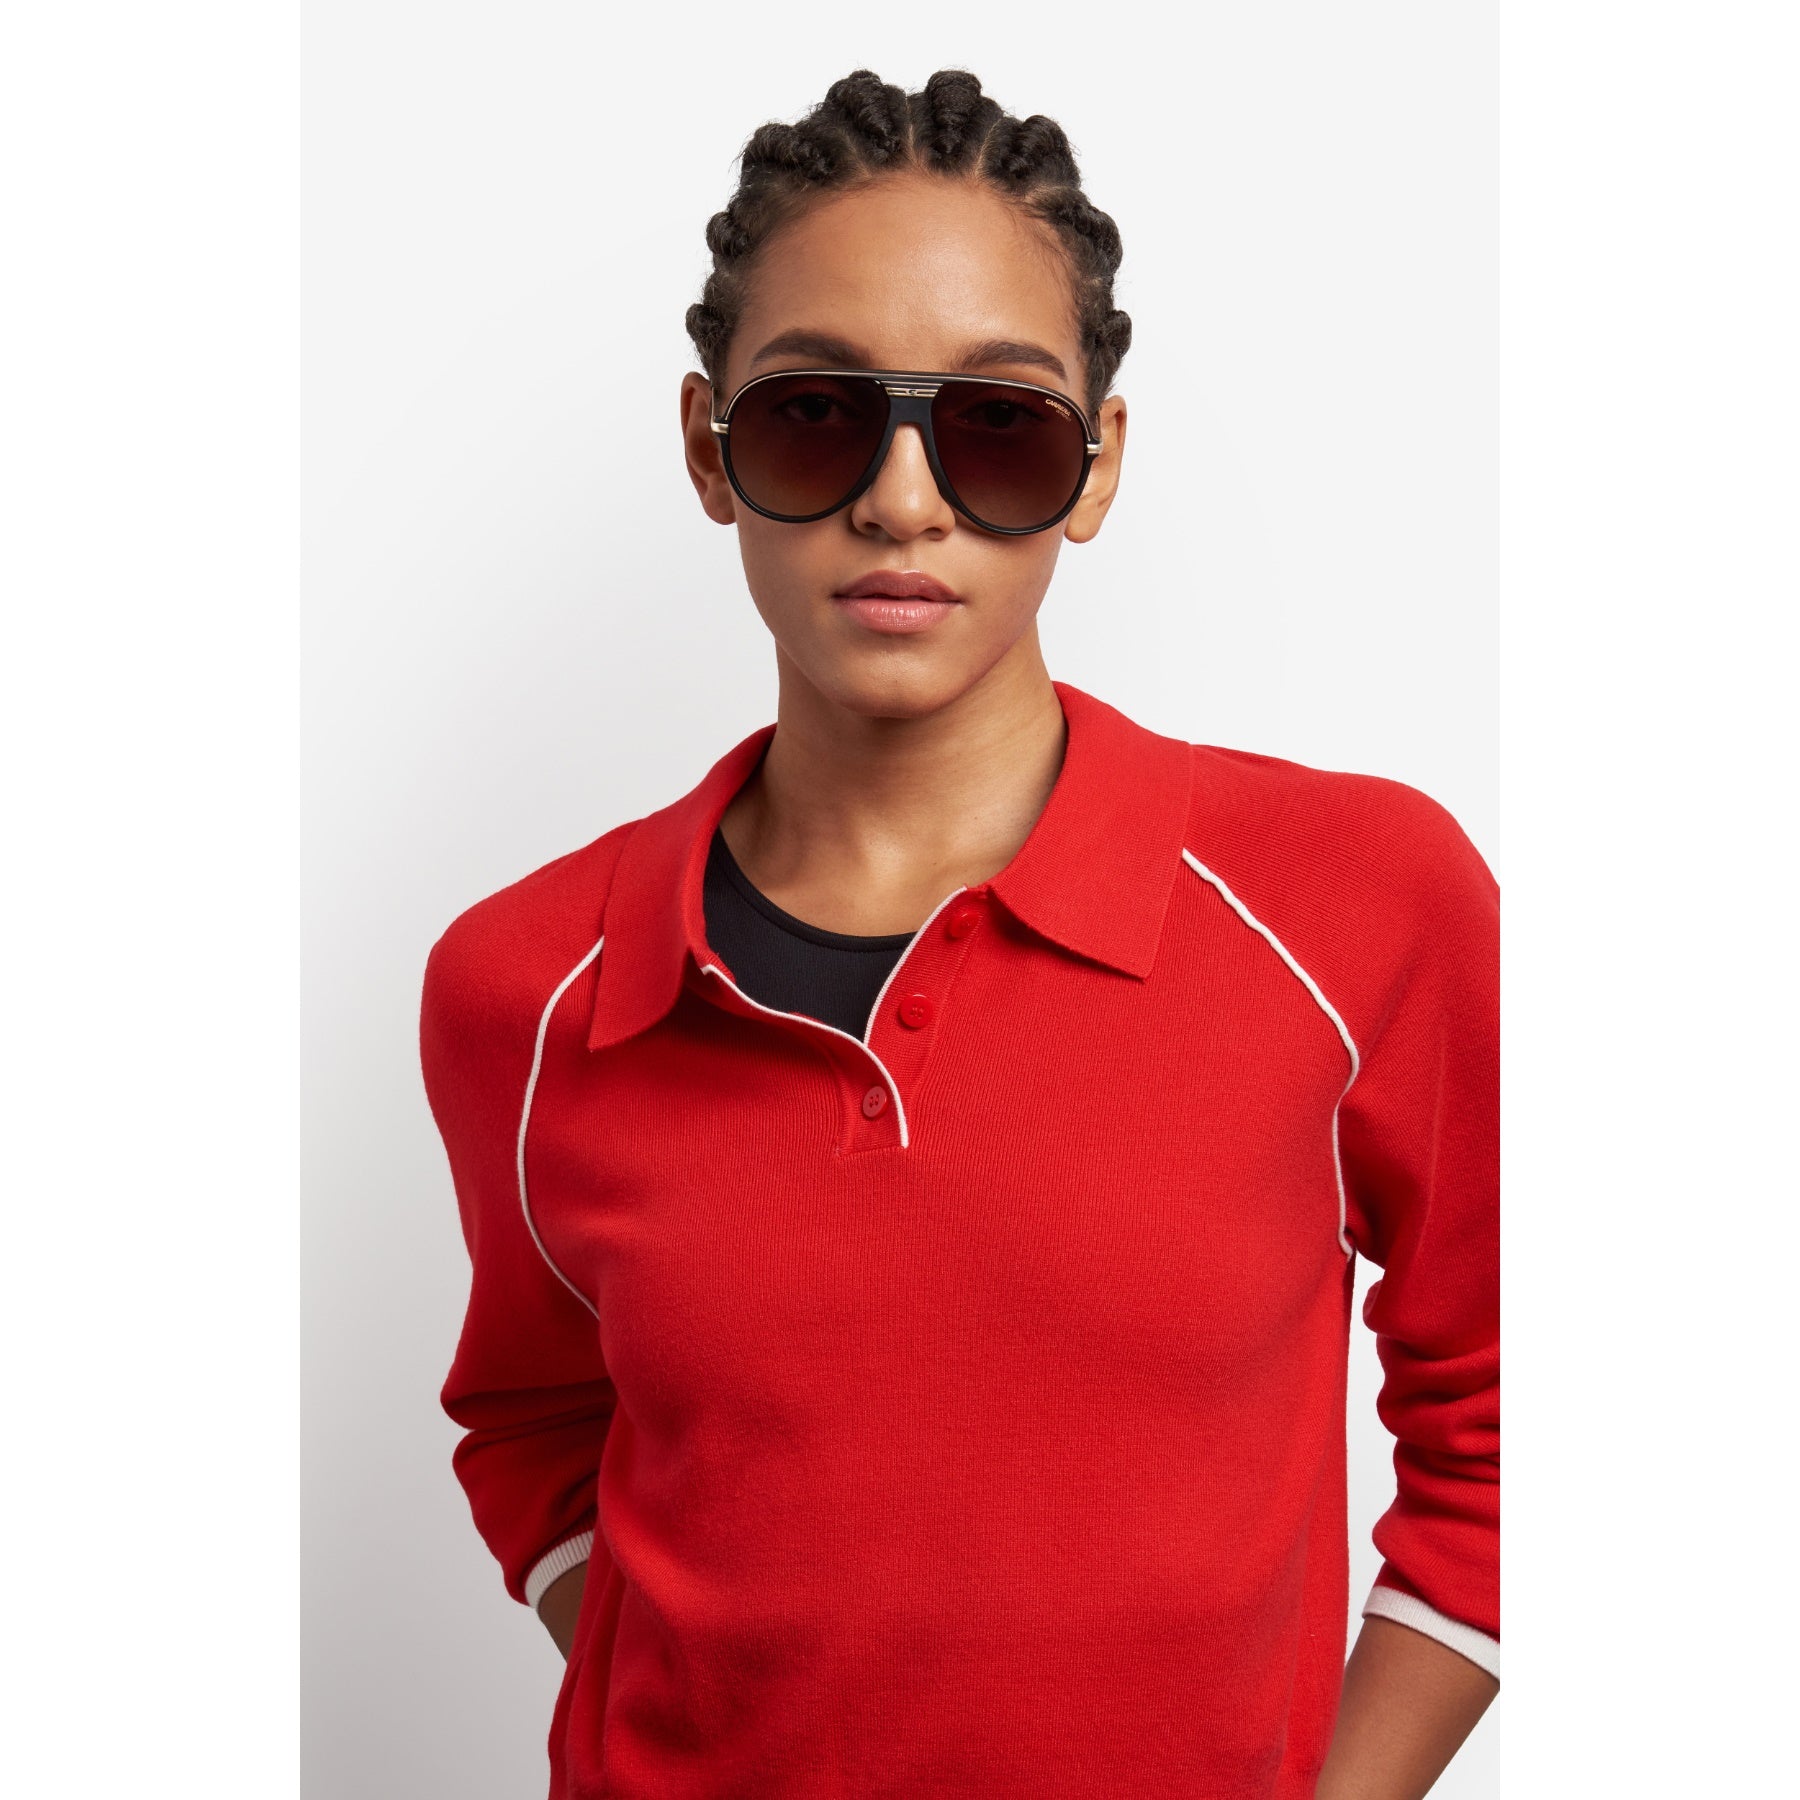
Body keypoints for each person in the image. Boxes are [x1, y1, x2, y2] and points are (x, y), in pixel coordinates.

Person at [420, 68, 1499, 1800]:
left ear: (1100, 465)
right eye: (814, 415)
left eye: (998, 425)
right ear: (707, 447)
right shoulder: (525, 983)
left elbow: (1515, 1420)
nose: (903, 500)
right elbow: (533, 1418)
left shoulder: (1360, 901)